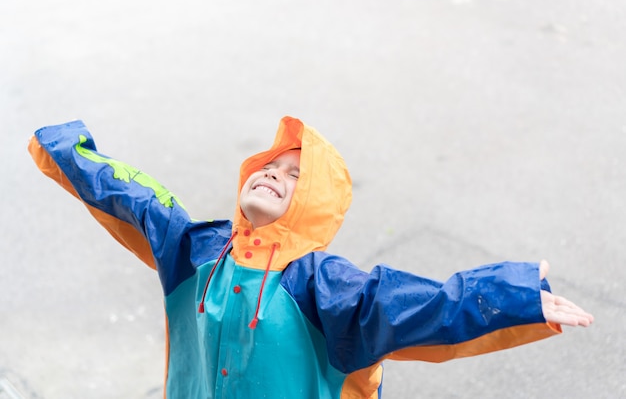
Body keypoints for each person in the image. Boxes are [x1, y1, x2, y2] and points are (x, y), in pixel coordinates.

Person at [28, 116, 593, 399]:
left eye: (298, 175)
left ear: (317, 205)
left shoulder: (324, 286)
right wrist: (66, 148)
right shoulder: (199, 250)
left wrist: (514, 297)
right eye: (271, 164)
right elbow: (136, 199)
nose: (275, 173)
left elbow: (424, 306)